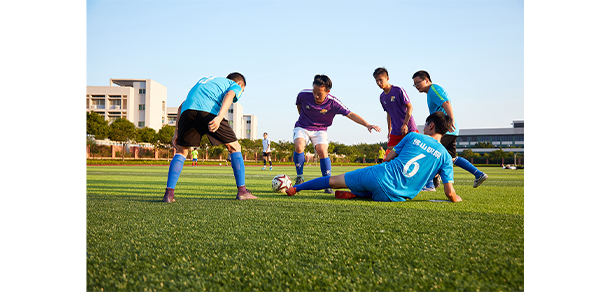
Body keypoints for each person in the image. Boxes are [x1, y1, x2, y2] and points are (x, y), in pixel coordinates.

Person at [285, 111, 462, 203]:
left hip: (378, 175)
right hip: (395, 197)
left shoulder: (413, 136)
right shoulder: (445, 157)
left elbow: (387, 159)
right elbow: (449, 192)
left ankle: (296, 189)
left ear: (431, 125)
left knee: (332, 180)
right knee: (378, 190)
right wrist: (456, 198)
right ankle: (358, 195)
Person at [162, 73, 257, 202]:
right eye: (242, 90)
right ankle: (242, 192)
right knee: (235, 147)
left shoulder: (207, 81)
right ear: (240, 84)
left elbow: (180, 107)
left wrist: (176, 133)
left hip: (187, 112)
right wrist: (219, 117)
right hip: (208, 111)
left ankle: (169, 194)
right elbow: (230, 95)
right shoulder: (234, 85)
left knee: (181, 151)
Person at [292, 74, 381, 193]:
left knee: (322, 151)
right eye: (314, 92)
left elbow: (350, 114)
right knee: (299, 145)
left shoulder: (333, 103)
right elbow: (299, 106)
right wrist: (304, 118)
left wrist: (367, 124)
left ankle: (327, 183)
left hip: (320, 129)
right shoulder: (303, 94)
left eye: (320, 93)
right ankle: (299, 177)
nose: (316, 95)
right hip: (303, 126)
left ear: (328, 91)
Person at [412, 70, 488, 189]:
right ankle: (478, 174)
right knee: (451, 158)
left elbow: (446, 102)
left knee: (430, 152)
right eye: (414, 84)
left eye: (418, 83)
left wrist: (451, 119)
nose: (416, 86)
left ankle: (430, 184)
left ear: (426, 80)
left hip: (444, 129)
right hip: (450, 130)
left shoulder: (433, 89)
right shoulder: (430, 93)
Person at [373, 67, 418, 157]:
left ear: (387, 79)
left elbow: (410, 107)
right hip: (396, 130)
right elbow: (388, 113)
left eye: (380, 80)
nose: (378, 83)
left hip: (409, 127)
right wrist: (389, 130)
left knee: (414, 152)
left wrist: (405, 124)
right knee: (389, 151)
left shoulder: (398, 90)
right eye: (376, 80)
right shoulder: (382, 97)